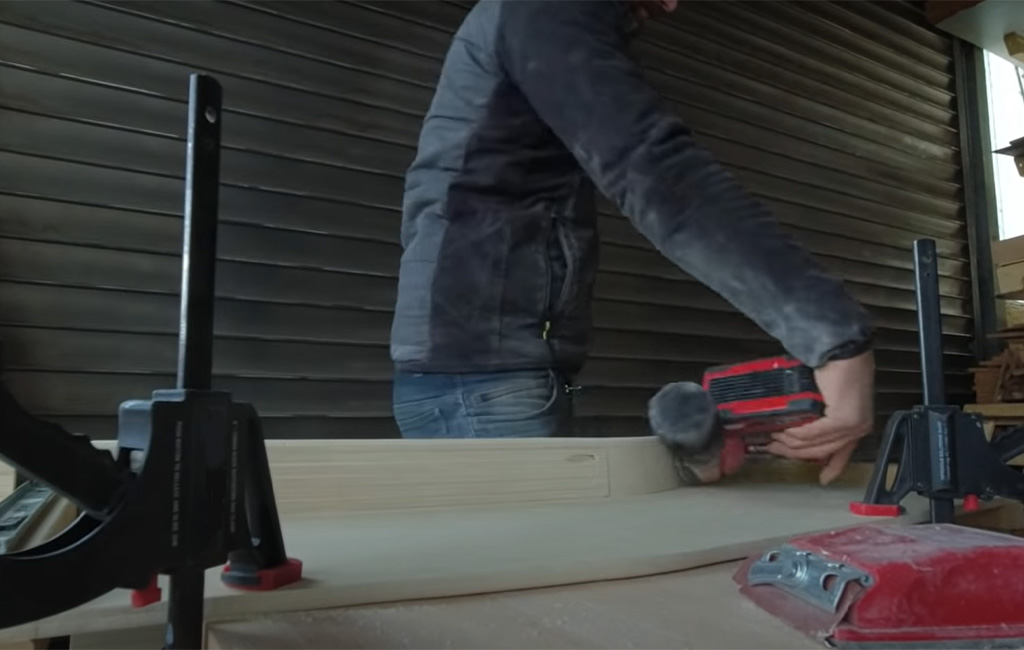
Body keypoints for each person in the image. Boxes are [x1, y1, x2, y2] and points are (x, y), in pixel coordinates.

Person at [389, 0, 876, 485]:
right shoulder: (544, 10)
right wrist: (834, 337)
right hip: (482, 378)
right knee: (532, 556)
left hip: (488, 368)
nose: (671, 4)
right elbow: (655, 173)